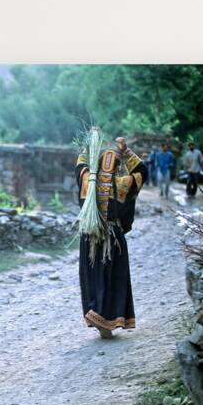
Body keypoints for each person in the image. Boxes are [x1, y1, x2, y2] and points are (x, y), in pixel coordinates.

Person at [76, 135, 148, 337]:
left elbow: (80, 164)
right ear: (117, 166)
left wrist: (89, 146)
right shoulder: (123, 184)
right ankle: (109, 319)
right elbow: (143, 172)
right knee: (113, 277)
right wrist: (126, 151)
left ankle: (97, 314)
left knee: (94, 277)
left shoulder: (87, 180)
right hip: (113, 238)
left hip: (90, 237)